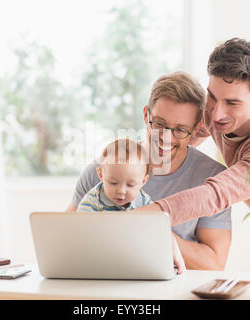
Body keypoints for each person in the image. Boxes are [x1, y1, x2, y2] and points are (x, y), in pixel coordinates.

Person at [67, 72, 232, 272]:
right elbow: (66, 242)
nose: (166, 138)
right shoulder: (102, 171)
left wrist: (155, 230)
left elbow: (213, 264)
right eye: (160, 124)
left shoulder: (213, 180)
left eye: (180, 129)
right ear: (146, 115)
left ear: (196, 129)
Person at [135, 38, 250, 228]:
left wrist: (135, 219)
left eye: (232, 103)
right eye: (212, 97)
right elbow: (178, 141)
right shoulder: (213, 111)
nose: (215, 114)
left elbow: (216, 194)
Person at [77, 138, 152, 212]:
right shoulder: (91, 203)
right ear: (101, 175)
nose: (121, 191)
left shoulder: (144, 200)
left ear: (143, 181)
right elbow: (81, 223)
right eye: (113, 183)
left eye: (130, 185)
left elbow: (155, 221)